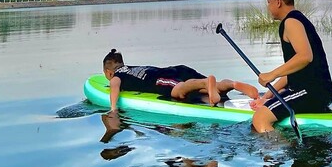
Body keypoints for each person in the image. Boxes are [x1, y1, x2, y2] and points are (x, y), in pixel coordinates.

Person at [251, 0, 332, 133]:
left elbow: (305, 57)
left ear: (278, 2)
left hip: (310, 92)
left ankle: (287, 149)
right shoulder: (299, 19)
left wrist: (272, 74)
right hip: (317, 91)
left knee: (259, 118)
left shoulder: (291, 22)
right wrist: (267, 98)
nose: (268, 7)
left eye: (268, 2)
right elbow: (293, 72)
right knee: (277, 99)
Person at [102, 48, 258, 113]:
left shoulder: (117, 76)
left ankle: (206, 83)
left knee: (179, 92)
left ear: (109, 72)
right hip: (178, 69)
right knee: (213, 87)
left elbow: (115, 87)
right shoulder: (132, 68)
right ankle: (232, 84)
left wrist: (113, 108)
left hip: (162, 79)